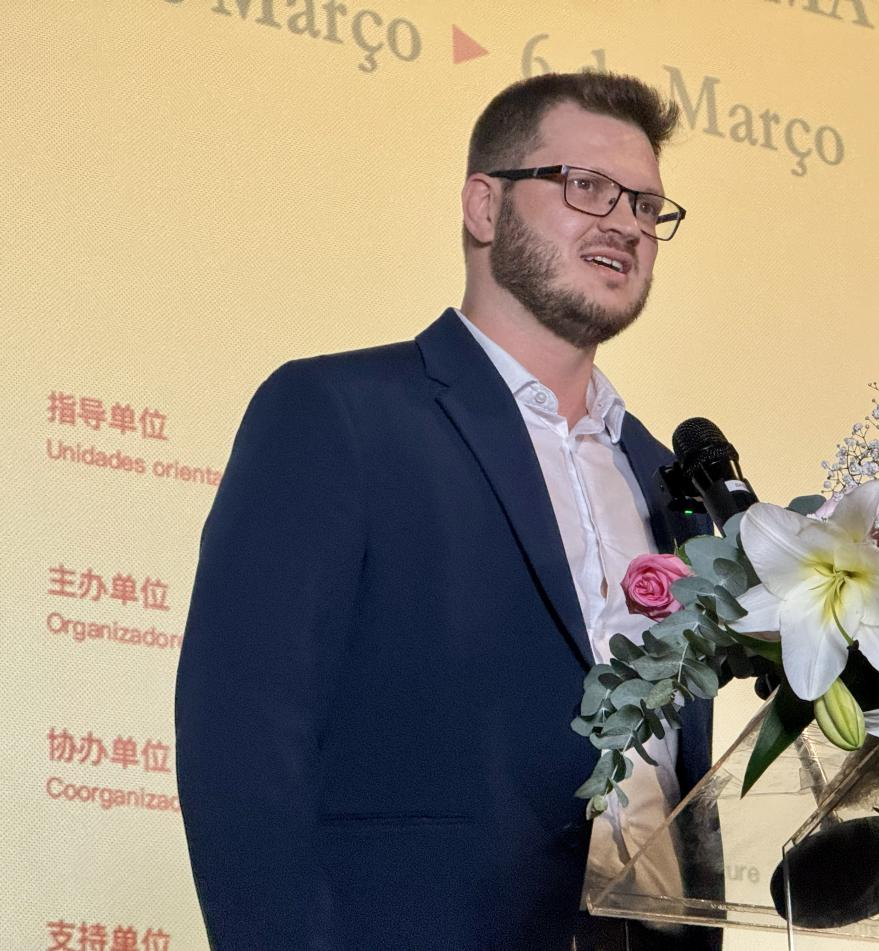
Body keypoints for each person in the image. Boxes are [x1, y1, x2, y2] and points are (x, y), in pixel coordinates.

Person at [175, 72, 719, 951]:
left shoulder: (667, 481)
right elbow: (242, 738)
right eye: (587, 187)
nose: (624, 222)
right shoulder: (338, 413)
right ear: (483, 206)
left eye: (647, 205)